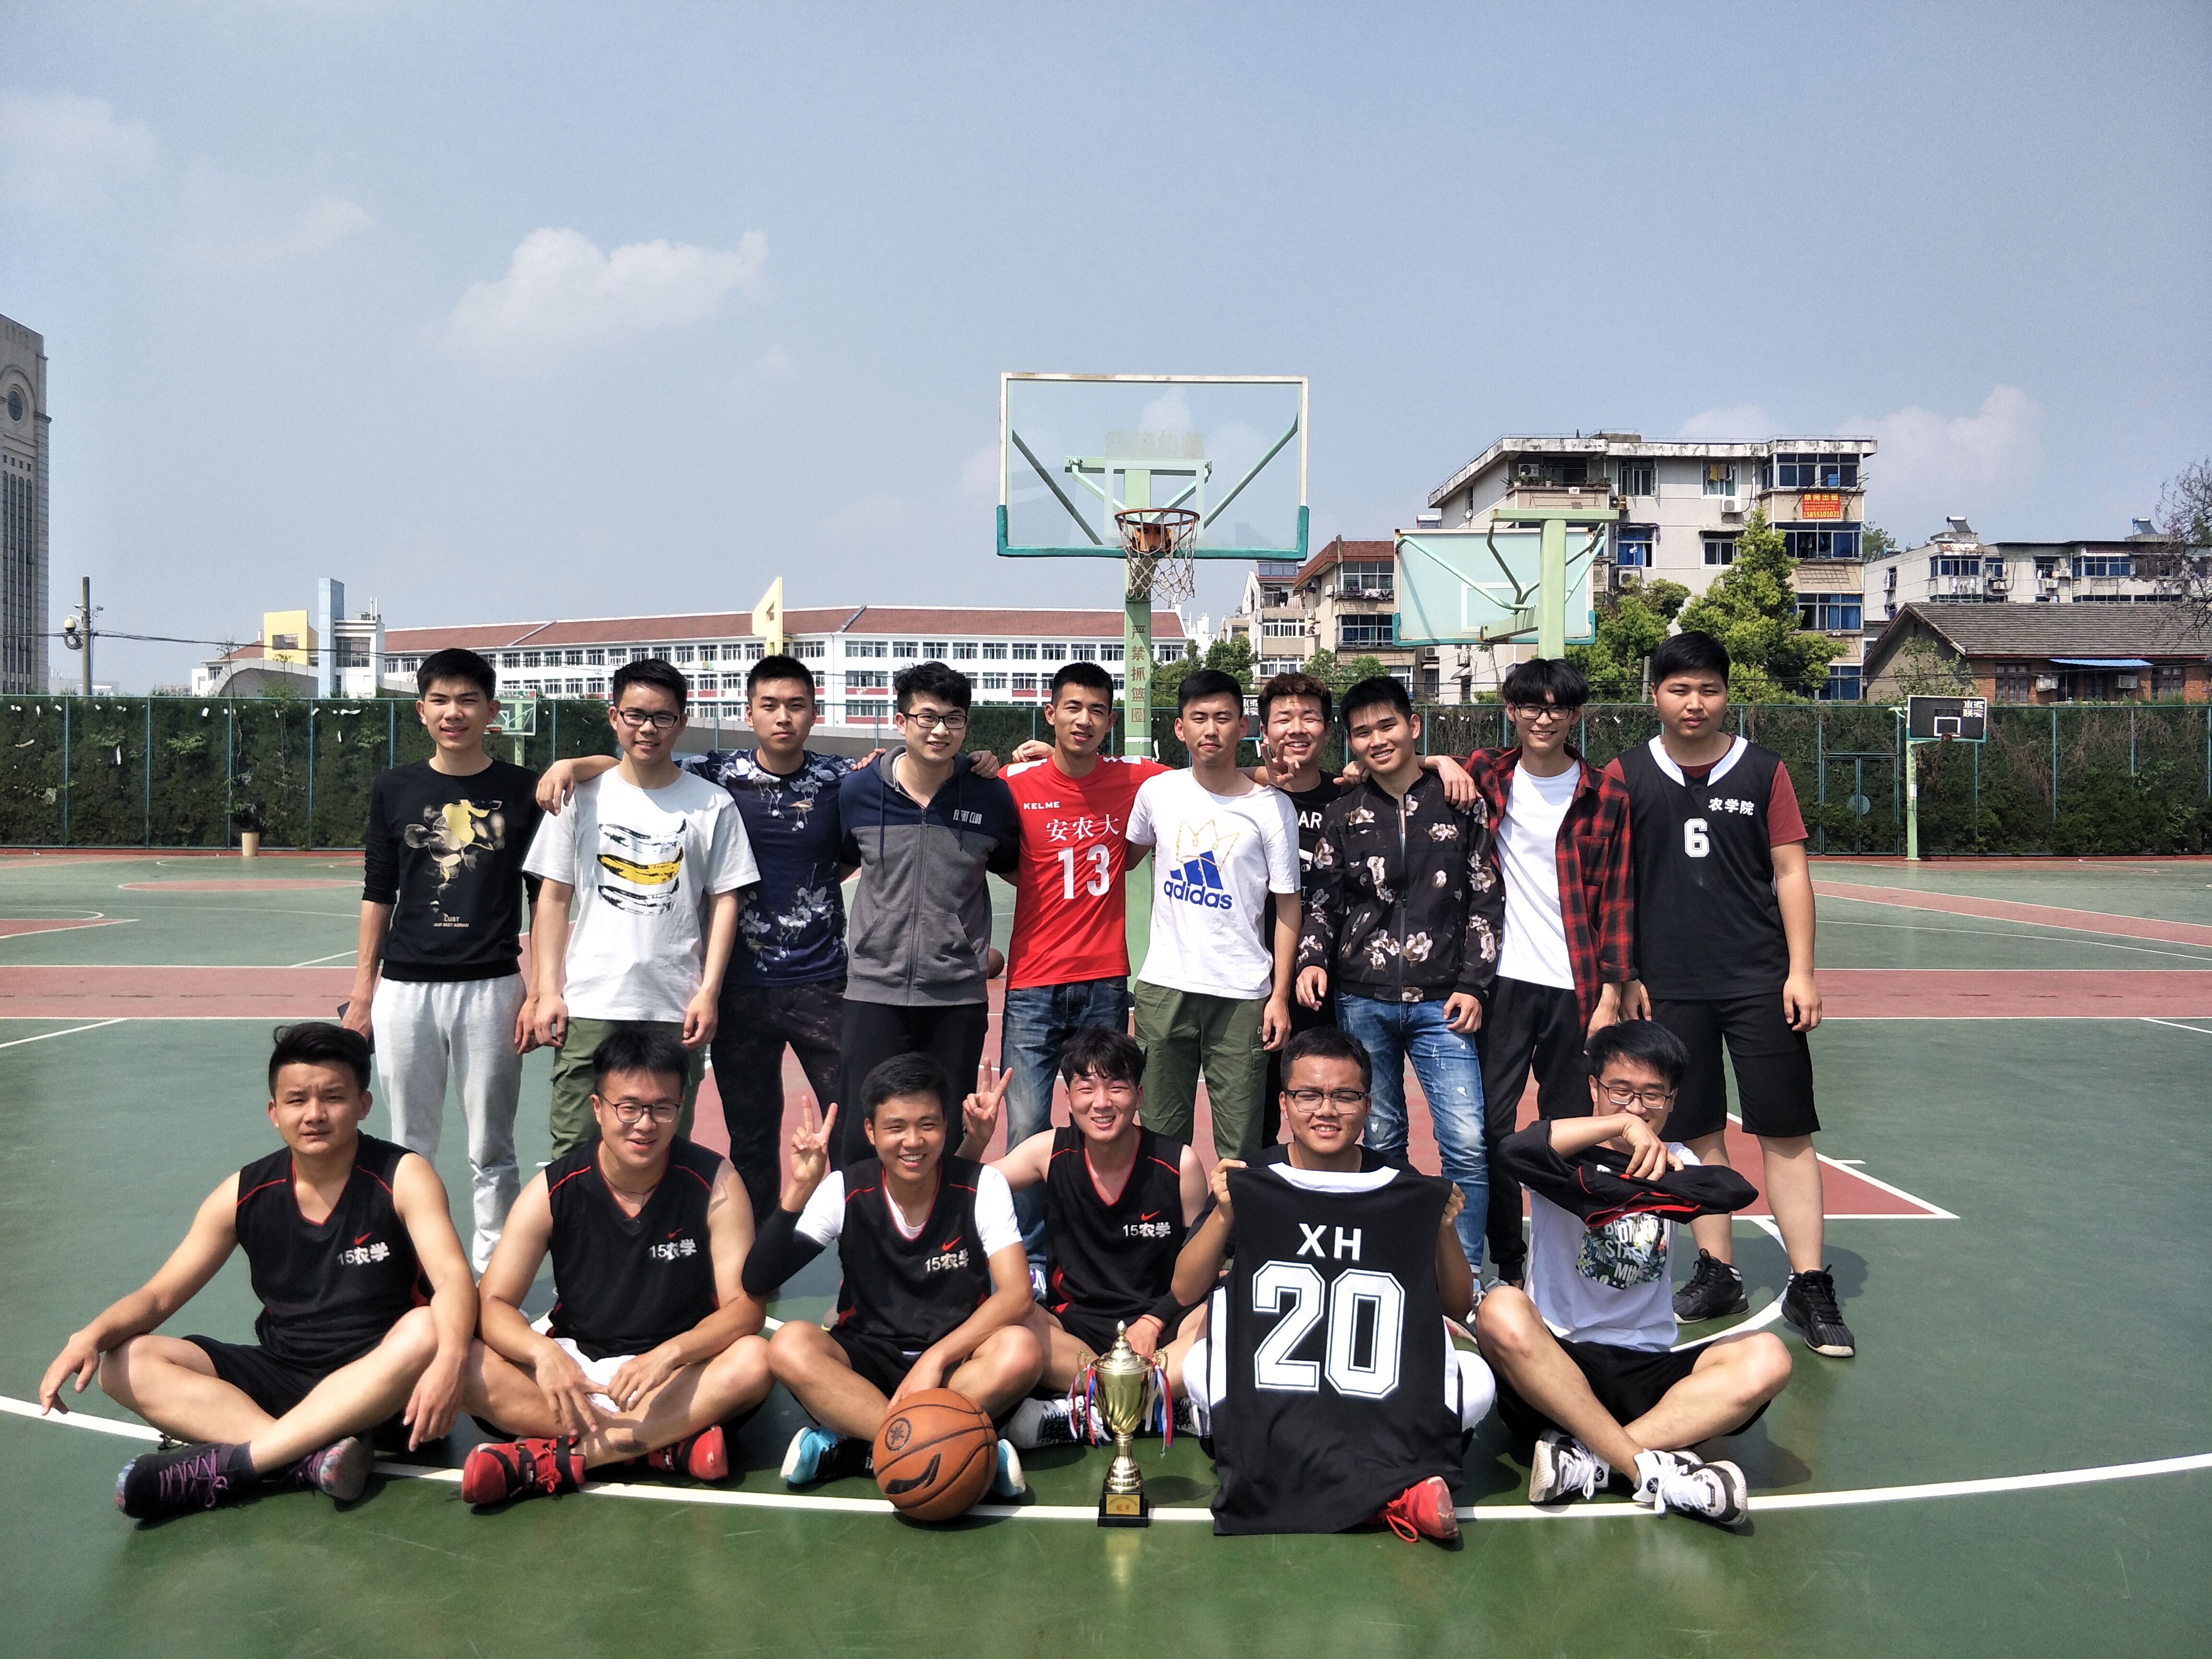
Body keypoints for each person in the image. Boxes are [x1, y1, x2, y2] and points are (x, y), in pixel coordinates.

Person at [536, 656, 1010, 1225]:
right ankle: (758, 1249)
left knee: (856, 1126)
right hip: (740, 988)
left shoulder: (845, 779)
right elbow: (636, 758)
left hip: (825, 982)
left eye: (796, 705)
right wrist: (570, 763)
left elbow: (912, 764)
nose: (783, 717)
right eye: (770, 705)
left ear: (814, 713)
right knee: (753, 1138)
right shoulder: (715, 773)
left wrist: (979, 760)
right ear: (749, 713)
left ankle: (868, 1239)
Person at [38, 1023, 477, 1519]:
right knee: (123, 1363)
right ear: (274, 1112)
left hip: (386, 1389)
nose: (314, 1114)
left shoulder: (403, 1175)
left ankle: (247, 1462)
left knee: (427, 1327)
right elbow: (160, 1296)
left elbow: (453, 1280)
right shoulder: (244, 1193)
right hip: (286, 1375)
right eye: (297, 1100)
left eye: (333, 1097)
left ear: (363, 1105)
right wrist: (90, 1335)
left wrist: (451, 1360)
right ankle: (305, 1460)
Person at [1608, 631, 1854, 1358]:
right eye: (1680, 689)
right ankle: (1718, 1271)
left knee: (1785, 1129)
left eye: (1708, 689)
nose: (1695, 703)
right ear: (1656, 695)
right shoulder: (1626, 774)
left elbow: (1791, 872)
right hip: (1668, 984)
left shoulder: (1763, 770)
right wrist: (1627, 976)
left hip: (1758, 981)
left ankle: (1810, 1281)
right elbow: (1614, 884)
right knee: (1696, 1132)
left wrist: (1802, 971)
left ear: (1726, 694)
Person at [1168, 1027, 1493, 1543]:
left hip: (1371, 1388)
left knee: (1477, 1383)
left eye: (1345, 1096)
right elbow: (1186, 1288)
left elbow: (1455, 1305)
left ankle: (1337, 1478)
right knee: (1198, 1367)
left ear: (1368, 1106)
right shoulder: (1251, 1177)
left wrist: (1444, 1229)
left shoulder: (1402, 1184)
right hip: (1279, 1384)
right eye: (1309, 1095)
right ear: (1284, 1103)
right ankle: (1395, 1490)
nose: (1326, 1110)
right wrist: (1226, 1214)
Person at [1475, 1019, 1792, 1527]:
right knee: (1499, 1308)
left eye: (1652, 1095)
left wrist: (1614, 1189)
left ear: (1672, 1100)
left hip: (1645, 1369)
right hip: (1555, 1368)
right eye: (1620, 1091)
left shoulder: (1679, 1162)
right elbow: (1515, 1150)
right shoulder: (1565, 1155)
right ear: (1594, 1088)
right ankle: (1647, 1464)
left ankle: (1592, 1460)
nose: (1637, 1108)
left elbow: (1730, 1190)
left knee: (1768, 1357)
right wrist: (1616, 1130)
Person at [455, 1028, 774, 1504]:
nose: (645, 1124)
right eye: (629, 1107)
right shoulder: (554, 1188)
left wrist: (671, 1353)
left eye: (662, 1108)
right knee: (461, 1363)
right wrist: (543, 1355)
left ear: (680, 1107)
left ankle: (560, 1459)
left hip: (675, 1378)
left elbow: (744, 1309)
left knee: (754, 1361)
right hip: (577, 1372)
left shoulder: (716, 1182)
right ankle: (662, 1444)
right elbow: (493, 1303)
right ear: (598, 1108)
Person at [744, 1053, 1040, 1496]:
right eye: (896, 1127)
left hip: (956, 1364)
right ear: (870, 1131)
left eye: (928, 1124)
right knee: (789, 1345)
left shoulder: (982, 1185)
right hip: (867, 1363)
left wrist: (935, 1359)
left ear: (947, 1126)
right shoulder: (844, 1189)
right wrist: (798, 1191)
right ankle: (963, 1449)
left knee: (1021, 1349)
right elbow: (757, 1279)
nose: (912, 1141)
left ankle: (860, 1449)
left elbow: (1017, 1295)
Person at [1295, 675, 1503, 1270]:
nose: (1377, 740)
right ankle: (1398, 1265)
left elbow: (1486, 899)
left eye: (1388, 725)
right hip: (1363, 999)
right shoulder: (1343, 813)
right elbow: (1324, 902)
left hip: (1445, 1003)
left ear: (1414, 726)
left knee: (1465, 1142)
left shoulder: (1460, 802)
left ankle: (1465, 1275)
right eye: (1363, 732)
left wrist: (1473, 983)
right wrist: (1312, 960)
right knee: (1383, 1138)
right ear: (1351, 742)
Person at [345, 647, 542, 1273]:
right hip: (405, 989)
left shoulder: (523, 790)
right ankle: (415, 1273)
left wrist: (540, 991)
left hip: (492, 988)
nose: (453, 712)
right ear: (421, 710)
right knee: (409, 1147)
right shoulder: (395, 788)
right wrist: (363, 994)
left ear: (492, 711)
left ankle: (495, 1279)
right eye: (440, 700)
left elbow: (544, 898)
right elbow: (378, 892)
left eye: (467, 700)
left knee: (493, 1149)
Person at [523, 657, 759, 1157]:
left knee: (666, 1150)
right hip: (591, 1003)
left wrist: (709, 992)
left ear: (682, 722)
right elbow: (554, 898)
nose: (648, 728)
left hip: (674, 1004)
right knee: (576, 1147)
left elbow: (725, 901)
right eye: (635, 715)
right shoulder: (578, 797)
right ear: (615, 717)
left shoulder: (713, 804)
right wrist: (547, 991)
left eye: (662, 717)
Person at [1461, 658, 1634, 1286]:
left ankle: (1567, 1265)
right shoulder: (1485, 773)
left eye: (1558, 707)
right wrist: (1432, 763)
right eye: (1531, 705)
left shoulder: (1606, 794)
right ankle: (1510, 1262)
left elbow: (1618, 899)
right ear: (1511, 711)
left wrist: (1612, 994)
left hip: (1577, 989)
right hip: (1499, 983)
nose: (1544, 717)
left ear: (1575, 715)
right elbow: (1418, 770)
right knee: (1491, 1131)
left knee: (1568, 1130)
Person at [951, 1025, 1207, 1447]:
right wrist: (975, 1142)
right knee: (1013, 1318)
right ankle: (1154, 1405)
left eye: (1117, 1087)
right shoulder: (1049, 1152)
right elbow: (959, 1196)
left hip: (1158, 1332)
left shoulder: (1180, 1163)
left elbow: (1200, 1267)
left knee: (1221, 1312)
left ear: (1139, 1096)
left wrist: (1155, 1320)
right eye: (1086, 1089)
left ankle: (1085, 1410)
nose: (1101, 1102)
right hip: (1073, 1334)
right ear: (1068, 1098)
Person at [995, 662, 1167, 1262]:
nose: (1084, 720)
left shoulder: (1135, 779)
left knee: (1102, 1122)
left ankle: (1089, 1250)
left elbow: (1213, 770)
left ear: (1110, 721)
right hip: (1033, 984)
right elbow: (956, 782)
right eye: (1073, 707)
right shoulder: (1015, 783)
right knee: (1026, 1128)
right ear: (1051, 714)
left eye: (1096, 710)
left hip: (1103, 981)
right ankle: (1029, 1261)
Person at [834, 661, 1021, 1166]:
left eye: (954, 719)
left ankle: (945, 1220)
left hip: (955, 994)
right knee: (862, 1132)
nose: (940, 730)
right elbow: (836, 865)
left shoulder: (989, 794)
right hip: (873, 989)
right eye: (928, 717)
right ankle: (860, 1217)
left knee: (945, 1131)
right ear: (900, 722)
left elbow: (1017, 869)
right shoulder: (859, 791)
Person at [1127, 668, 1300, 1165]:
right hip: (1165, 988)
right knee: (1159, 1141)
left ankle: (1233, 1221)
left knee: (1240, 1148)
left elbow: (1289, 907)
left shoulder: (1273, 809)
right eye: (1199, 718)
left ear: (1243, 726)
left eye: (1223, 718)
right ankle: (1168, 1219)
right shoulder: (1157, 793)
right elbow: (1127, 856)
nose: (1211, 729)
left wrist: (1279, 996)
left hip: (1243, 995)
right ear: (1179, 727)